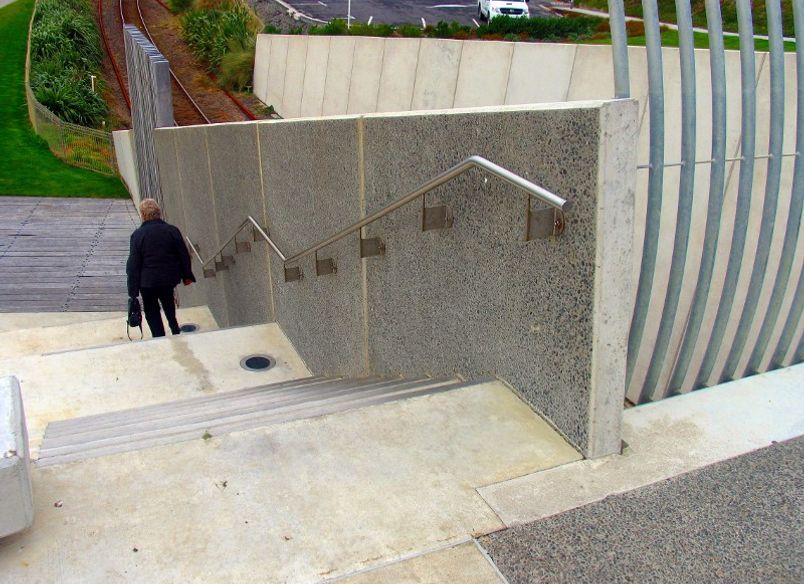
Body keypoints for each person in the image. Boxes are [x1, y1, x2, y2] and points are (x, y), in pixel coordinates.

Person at [126, 199, 196, 337]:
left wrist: (133, 292)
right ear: (159, 213)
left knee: (151, 311)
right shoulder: (171, 230)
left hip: (147, 283)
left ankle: (159, 337)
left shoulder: (138, 235)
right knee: (168, 302)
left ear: (143, 215)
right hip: (168, 278)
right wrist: (187, 275)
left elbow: (133, 265)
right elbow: (183, 254)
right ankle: (174, 329)